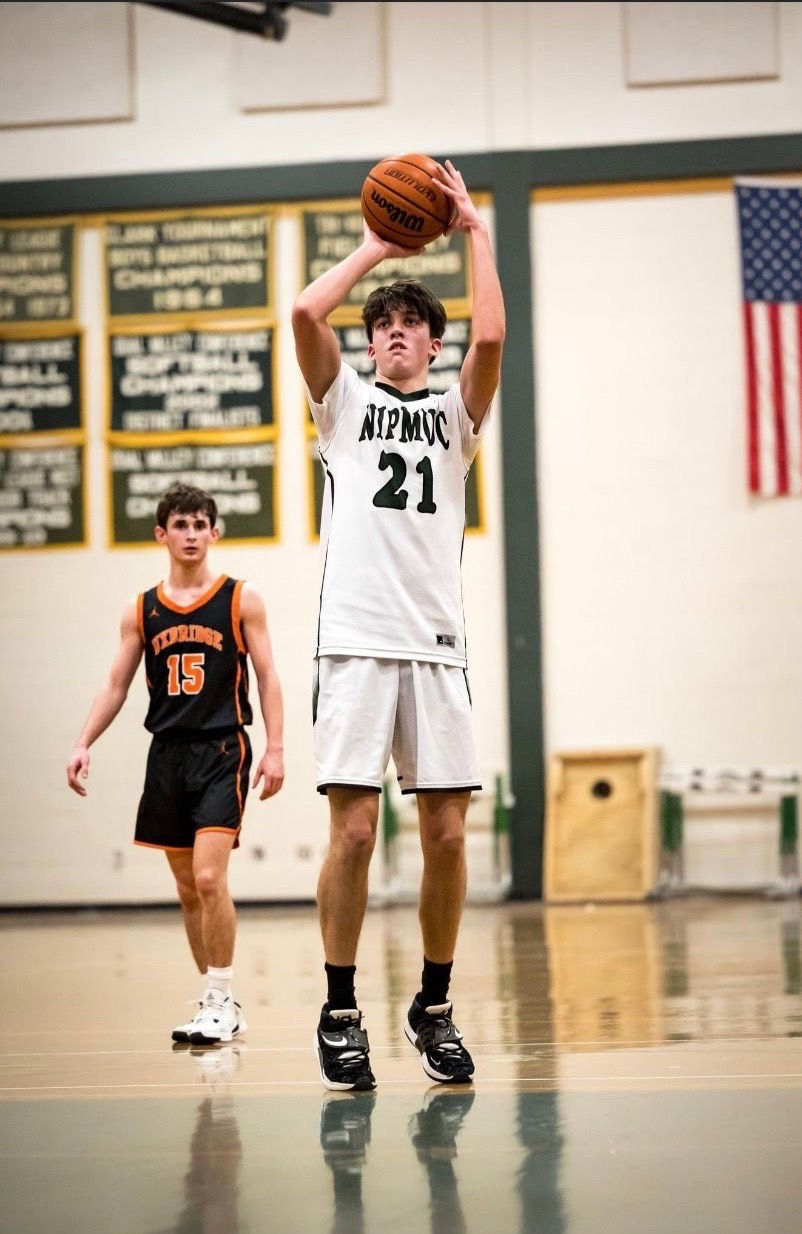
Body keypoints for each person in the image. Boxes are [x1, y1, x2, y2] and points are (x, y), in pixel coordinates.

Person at [292, 159, 505, 1089]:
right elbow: (304, 316)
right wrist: (377, 246)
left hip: (436, 645)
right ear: (371, 344)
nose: (394, 337)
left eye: (411, 326)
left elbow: (493, 332)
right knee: (352, 833)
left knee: (450, 836)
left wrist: (475, 233)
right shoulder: (342, 406)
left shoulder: (457, 419)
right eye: (382, 327)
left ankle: (435, 1004)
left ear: (432, 344)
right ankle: (340, 1010)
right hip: (354, 641)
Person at [66, 482, 284, 1044]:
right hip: (166, 755)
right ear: (162, 533)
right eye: (180, 525)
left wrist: (277, 749)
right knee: (189, 890)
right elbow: (116, 682)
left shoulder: (241, 598)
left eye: (200, 524)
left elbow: (267, 678)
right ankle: (219, 1001)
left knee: (211, 877)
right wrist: (83, 740)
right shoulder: (142, 608)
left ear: (215, 531)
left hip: (222, 749)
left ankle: (219, 999)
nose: (191, 534)